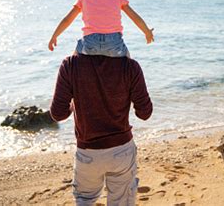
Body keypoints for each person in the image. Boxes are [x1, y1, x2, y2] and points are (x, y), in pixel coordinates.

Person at [50, 53, 153, 205]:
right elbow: (145, 113)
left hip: (88, 152)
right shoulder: (130, 66)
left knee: (84, 200)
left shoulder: (70, 64)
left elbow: (58, 114)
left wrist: (73, 105)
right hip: (121, 150)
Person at [48, 0, 154, 57]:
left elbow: (67, 19)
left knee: (73, 59)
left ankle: (73, 70)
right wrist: (147, 32)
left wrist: (54, 36)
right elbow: (135, 17)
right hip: (114, 44)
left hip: (90, 44)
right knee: (129, 62)